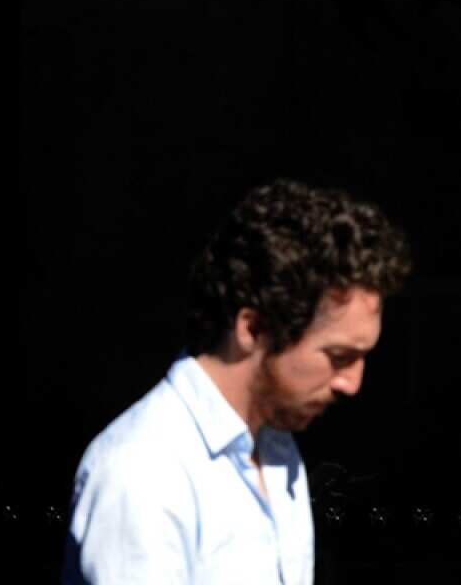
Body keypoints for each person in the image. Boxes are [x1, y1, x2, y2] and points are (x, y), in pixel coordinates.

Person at [62, 179, 412, 584]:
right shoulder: (143, 471)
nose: (352, 383)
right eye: (339, 357)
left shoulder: (278, 453)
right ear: (254, 327)